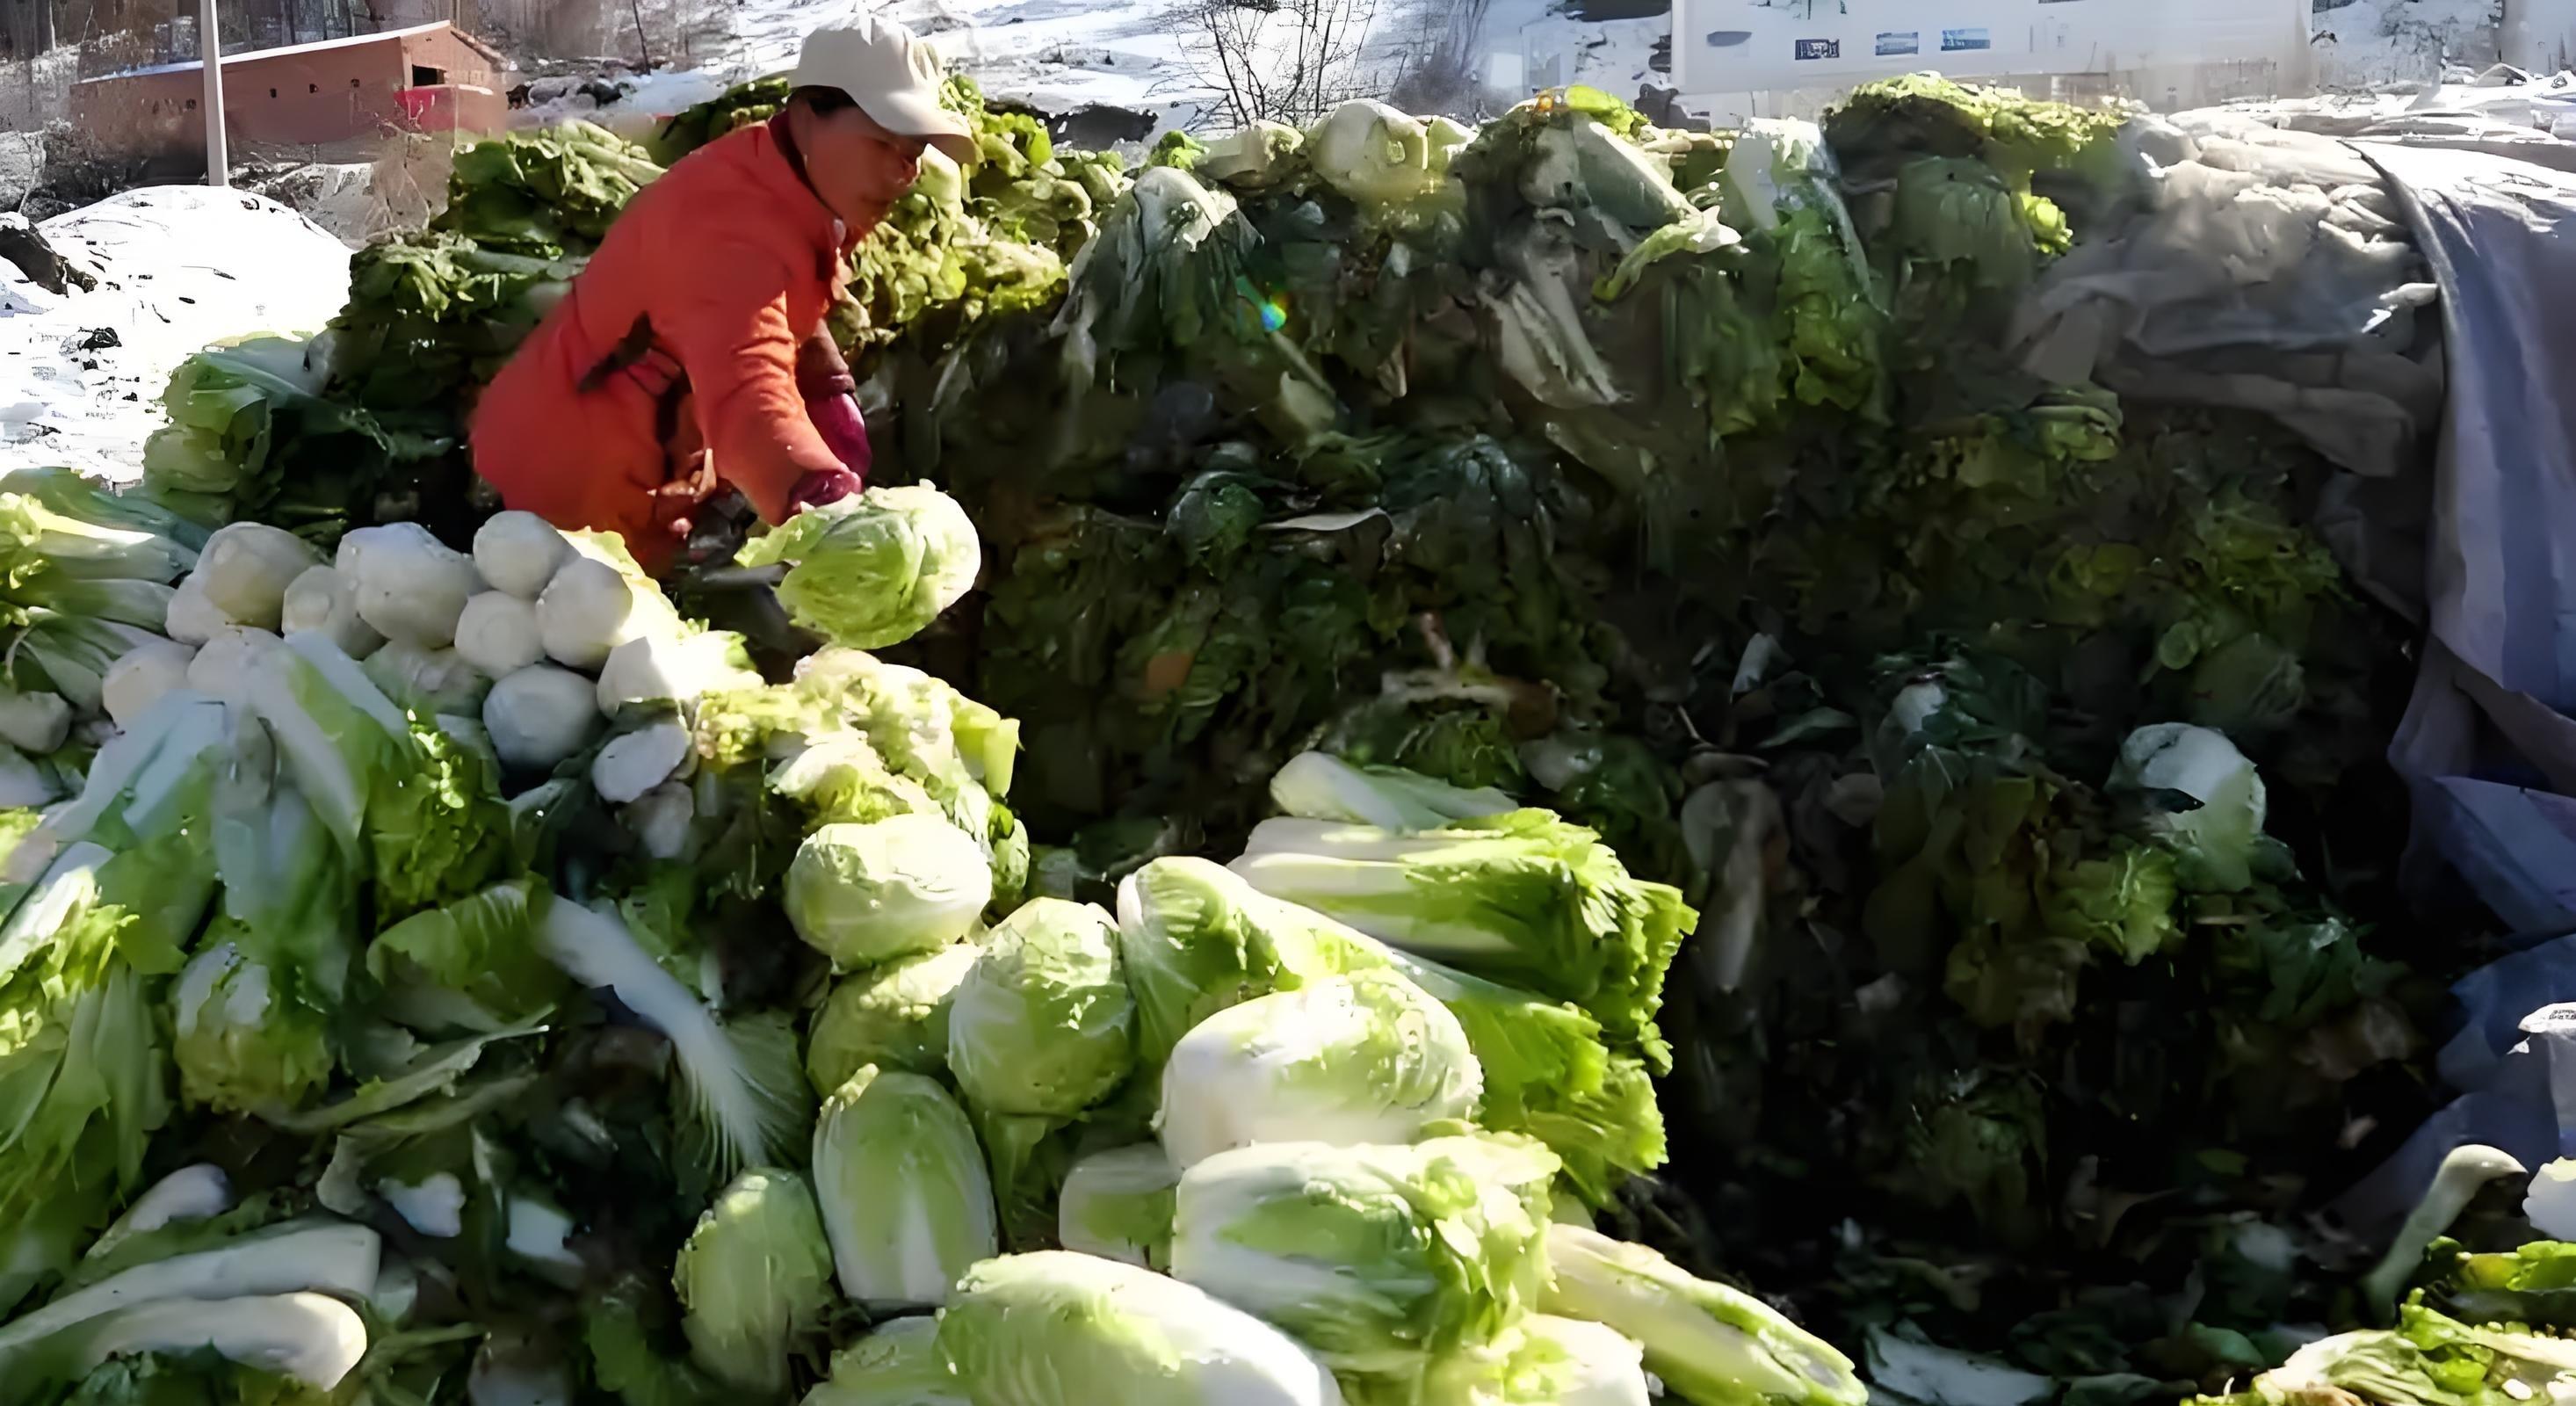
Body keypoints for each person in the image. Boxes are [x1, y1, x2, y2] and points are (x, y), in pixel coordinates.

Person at [469, 16, 974, 573]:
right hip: (574, 485)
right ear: (808, 117)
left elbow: (768, 304)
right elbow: (745, 392)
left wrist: (826, 385)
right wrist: (820, 495)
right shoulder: (729, 222)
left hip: (635, 450)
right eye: (883, 141)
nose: (904, 171)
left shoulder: (782, 180)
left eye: (915, 150)